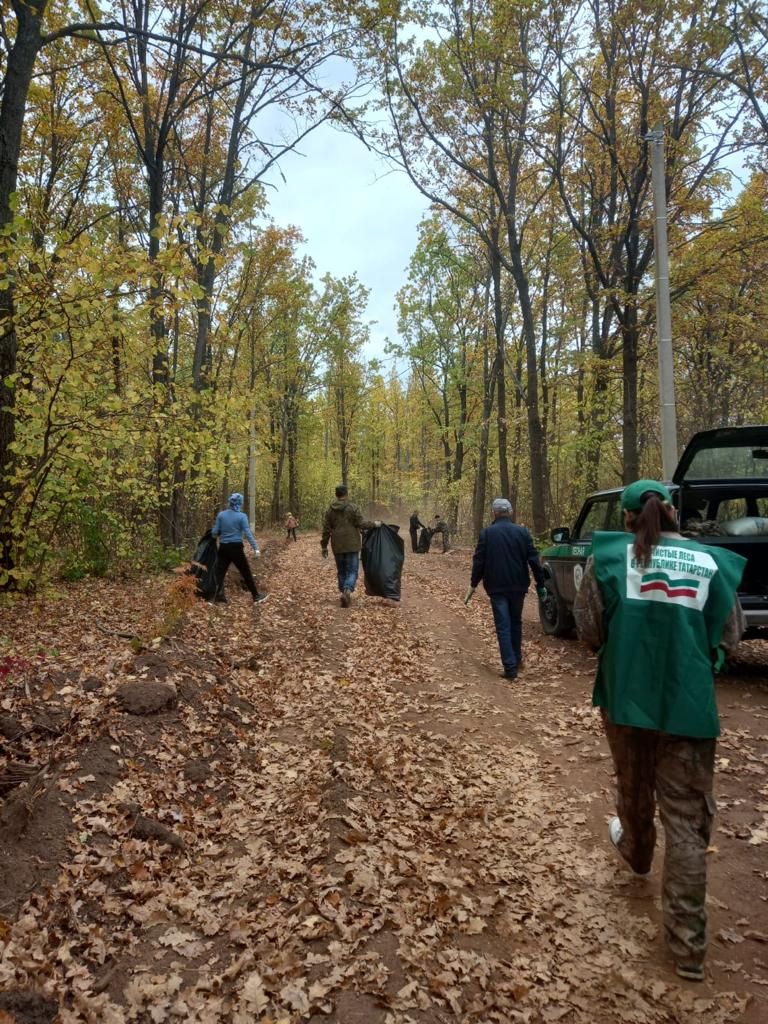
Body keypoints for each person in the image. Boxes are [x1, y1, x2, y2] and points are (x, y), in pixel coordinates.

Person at [573, 479, 745, 982]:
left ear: (627, 518)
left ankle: (638, 854)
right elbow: (731, 635)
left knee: (633, 789)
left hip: (626, 700)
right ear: (671, 512)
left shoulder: (608, 560)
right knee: (688, 823)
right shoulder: (710, 562)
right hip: (688, 708)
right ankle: (688, 948)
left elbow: (588, 629)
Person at [469, 498, 547, 679]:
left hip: (496, 587)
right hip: (518, 586)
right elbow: (534, 560)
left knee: (503, 626)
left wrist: (474, 582)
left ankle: (510, 667)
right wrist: (541, 583)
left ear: (494, 513)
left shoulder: (487, 533)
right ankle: (516, 661)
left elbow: (478, 561)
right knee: (515, 622)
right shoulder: (523, 532)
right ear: (510, 512)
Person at [321, 485, 379, 607]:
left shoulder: (330, 510)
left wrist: (324, 546)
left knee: (341, 571)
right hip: (352, 544)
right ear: (346, 494)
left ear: (336, 495)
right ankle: (347, 590)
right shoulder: (353, 507)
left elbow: (326, 530)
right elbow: (361, 524)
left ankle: (344, 593)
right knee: (352, 571)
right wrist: (374, 524)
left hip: (337, 545)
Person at [211, 492, 268, 605]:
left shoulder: (221, 515)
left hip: (223, 548)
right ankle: (256, 596)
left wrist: (220, 532)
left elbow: (214, 533)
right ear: (240, 503)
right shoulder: (242, 516)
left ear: (230, 502)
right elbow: (247, 533)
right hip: (236, 548)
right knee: (246, 572)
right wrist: (256, 548)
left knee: (219, 573)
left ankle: (215, 597)